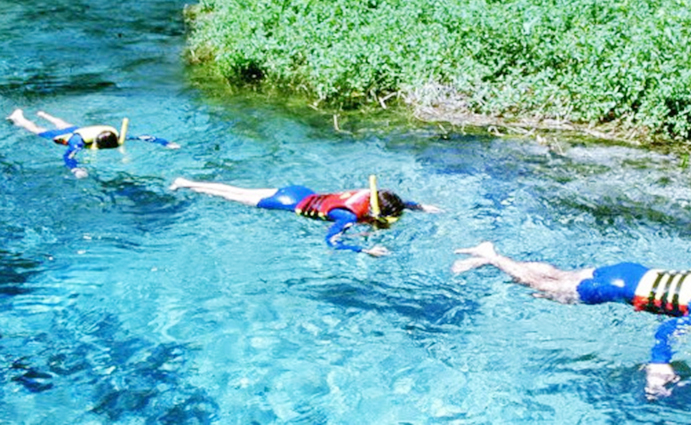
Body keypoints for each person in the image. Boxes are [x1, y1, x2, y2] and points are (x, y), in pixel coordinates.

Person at [452, 242, 691, 398]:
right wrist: (659, 366)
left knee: (557, 277)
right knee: (546, 288)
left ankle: (493, 255)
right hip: (619, 290)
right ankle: (492, 257)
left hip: (630, 271)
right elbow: (668, 327)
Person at [170, 175, 442, 256]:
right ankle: (186, 183)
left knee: (238, 190)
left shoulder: (373, 200)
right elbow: (331, 241)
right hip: (288, 202)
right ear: (375, 213)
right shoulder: (347, 217)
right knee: (234, 194)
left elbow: (399, 203)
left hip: (302, 190)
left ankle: (187, 181)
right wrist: (363, 251)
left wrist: (419, 206)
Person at [7, 108, 180, 178]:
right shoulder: (77, 142)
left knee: (66, 125)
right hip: (71, 135)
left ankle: (44, 114)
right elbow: (68, 155)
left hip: (81, 129)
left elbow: (144, 137)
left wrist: (166, 143)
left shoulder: (116, 137)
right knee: (38, 131)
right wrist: (75, 168)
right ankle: (18, 117)